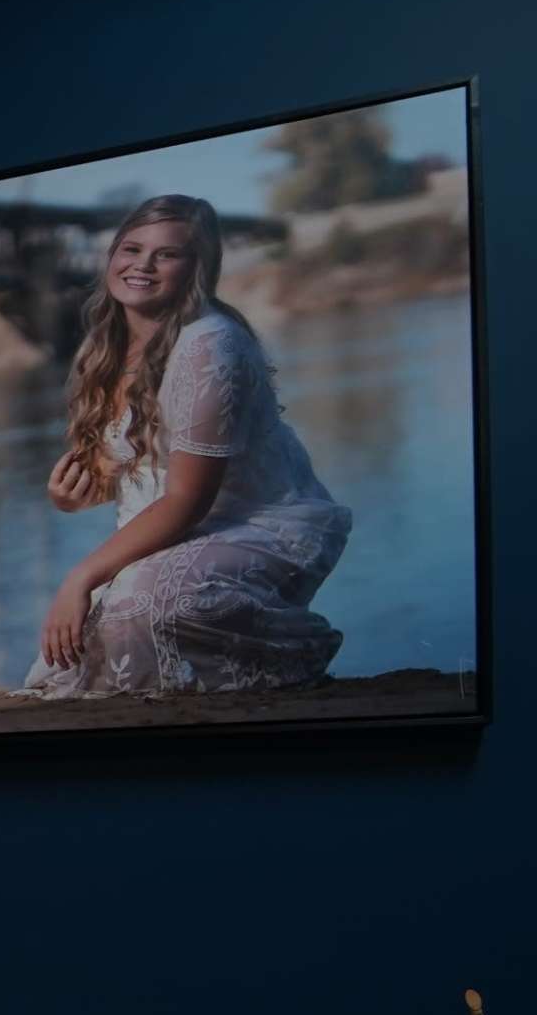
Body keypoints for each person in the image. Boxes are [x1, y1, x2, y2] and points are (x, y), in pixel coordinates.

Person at [22, 196, 351, 698]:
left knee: (139, 605)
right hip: (168, 534)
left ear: (199, 268)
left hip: (253, 525)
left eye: (167, 255)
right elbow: (133, 473)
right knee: (102, 630)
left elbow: (187, 499)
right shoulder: (104, 346)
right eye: (131, 248)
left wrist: (81, 576)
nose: (142, 265)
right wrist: (73, 496)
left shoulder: (208, 345)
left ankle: (293, 655)